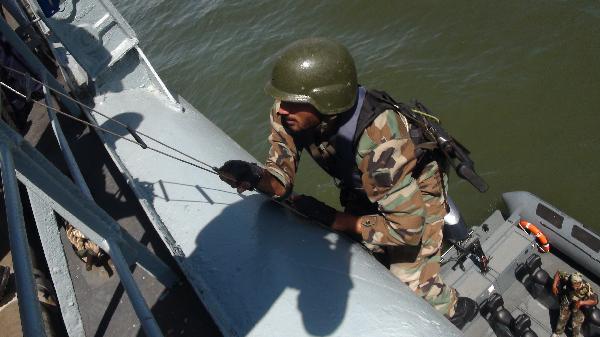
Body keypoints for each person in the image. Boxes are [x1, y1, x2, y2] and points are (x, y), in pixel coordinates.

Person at [218, 37, 478, 328]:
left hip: (414, 193)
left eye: (292, 103)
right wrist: (256, 177)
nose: (280, 110)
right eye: (282, 100)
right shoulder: (288, 114)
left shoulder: (380, 142)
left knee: (413, 288)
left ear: (325, 103)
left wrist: (334, 219)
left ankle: (456, 310)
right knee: (365, 245)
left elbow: (407, 230)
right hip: (365, 184)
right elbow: (280, 180)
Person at [551, 271, 598, 337]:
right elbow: (558, 273)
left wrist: (582, 302)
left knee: (576, 323)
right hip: (567, 300)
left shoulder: (586, 286)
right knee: (562, 318)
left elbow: (595, 301)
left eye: (577, 285)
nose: (575, 287)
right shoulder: (568, 278)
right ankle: (558, 333)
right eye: (573, 284)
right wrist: (554, 285)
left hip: (579, 305)